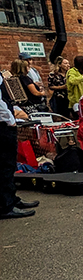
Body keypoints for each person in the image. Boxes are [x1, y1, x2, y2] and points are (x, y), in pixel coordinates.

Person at [0, 74, 38, 218]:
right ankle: (6, 205)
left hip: (5, 122)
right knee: (5, 165)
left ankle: (11, 199)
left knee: (8, 166)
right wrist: (10, 120)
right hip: (3, 125)